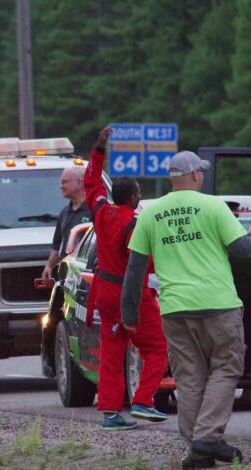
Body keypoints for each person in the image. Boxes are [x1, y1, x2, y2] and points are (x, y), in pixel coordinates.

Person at [121, 151, 251, 470]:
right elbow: (244, 252)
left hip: (175, 308)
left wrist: (130, 314)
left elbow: (135, 269)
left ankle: (195, 447)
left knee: (189, 376)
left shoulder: (151, 215)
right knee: (225, 367)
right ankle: (208, 437)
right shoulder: (213, 207)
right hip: (218, 303)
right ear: (196, 175)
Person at [84, 127, 169, 430]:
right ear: (134, 197)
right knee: (158, 346)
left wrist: (99, 148)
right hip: (129, 294)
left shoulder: (101, 212)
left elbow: (91, 182)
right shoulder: (134, 223)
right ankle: (144, 400)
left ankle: (110, 413)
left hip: (104, 292)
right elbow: (141, 262)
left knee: (112, 351)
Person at [41, 166, 90, 279]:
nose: (61, 186)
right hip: (68, 275)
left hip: (86, 273)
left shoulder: (95, 210)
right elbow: (57, 245)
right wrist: (49, 265)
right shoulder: (64, 213)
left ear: (79, 183)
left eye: (65, 182)